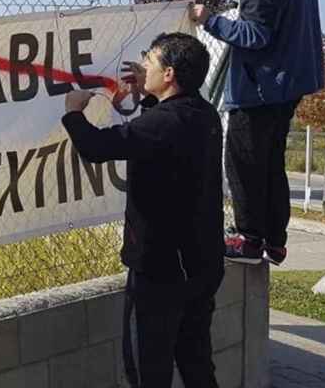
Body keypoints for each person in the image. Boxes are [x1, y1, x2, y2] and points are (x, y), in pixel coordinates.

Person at [62, 32, 224, 388]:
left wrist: (73, 112)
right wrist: (147, 96)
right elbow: (161, 136)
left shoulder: (164, 124)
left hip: (161, 270)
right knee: (196, 361)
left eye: (149, 62)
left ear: (169, 74)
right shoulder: (204, 114)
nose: (142, 67)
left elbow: (97, 147)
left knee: (149, 367)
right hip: (202, 264)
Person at [190, 0, 325, 265]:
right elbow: (280, 18)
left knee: (243, 163)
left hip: (259, 87)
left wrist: (210, 20)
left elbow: (254, 35)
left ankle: (248, 239)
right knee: (271, 165)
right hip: (290, 83)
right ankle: (275, 241)